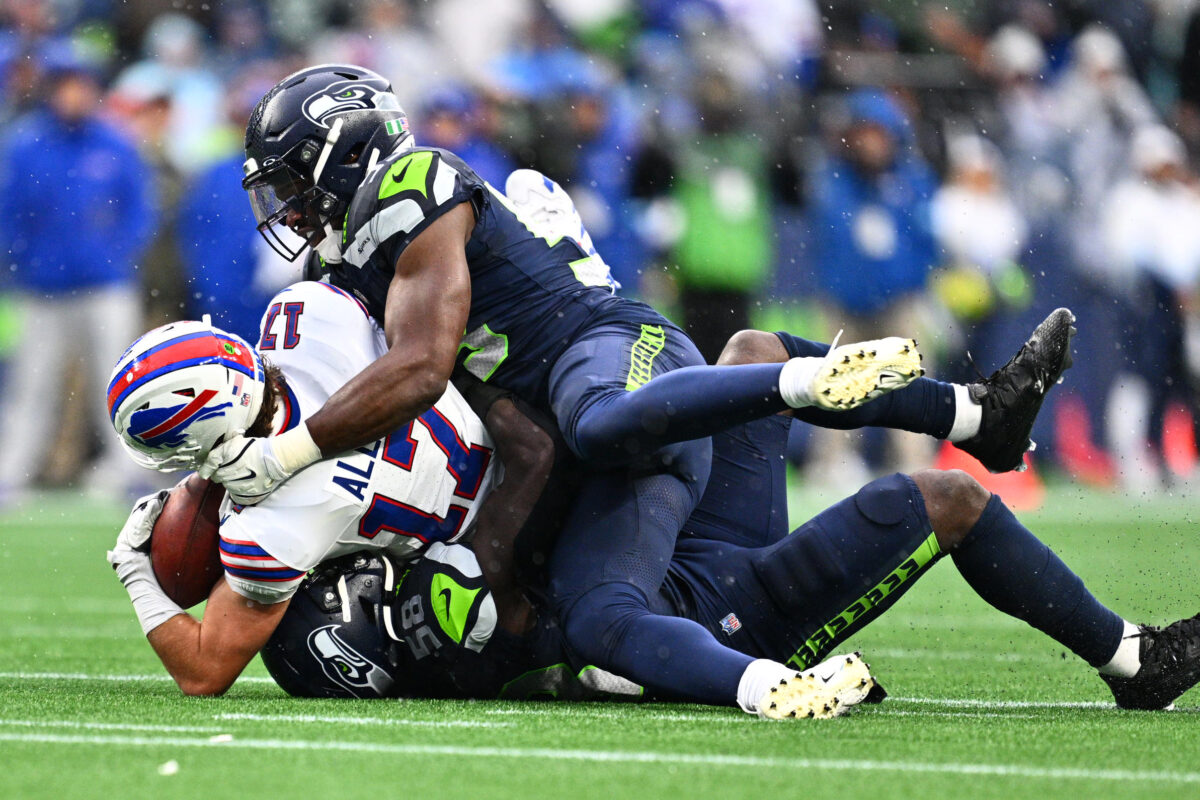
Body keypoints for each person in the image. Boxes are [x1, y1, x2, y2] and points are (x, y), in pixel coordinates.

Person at [201, 64, 1072, 709]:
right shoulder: (350, 257)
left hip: (606, 345)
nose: (282, 207)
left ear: (343, 152)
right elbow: (444, 403)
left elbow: (422, 368)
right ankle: (970, 415)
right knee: (714, 376)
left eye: (287, 179)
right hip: (577, 422)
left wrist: (281, 457)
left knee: (607, 428)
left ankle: (817, 385)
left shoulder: (412, 185)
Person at [104, 290, 1200, 714]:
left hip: (617, 541)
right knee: (936, 499)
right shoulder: (310, 325)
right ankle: (1126, 653)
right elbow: (422, 331)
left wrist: (142, 573)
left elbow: (206, 664)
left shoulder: (280, 525)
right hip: (655, 563)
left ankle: (971, 411)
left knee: (750, 359)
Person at [0, 46, 154, 501]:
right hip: (42, 289)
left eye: (79, 83)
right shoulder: (25, 145)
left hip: (105, 286)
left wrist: (114, 255)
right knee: (32, 384)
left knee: (119, 383)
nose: (72, 93)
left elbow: (140, 212)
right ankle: (12, 472)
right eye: (64, 83)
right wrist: (23, 261)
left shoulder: (115, 143)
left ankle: (128, 473)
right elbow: (9, 214)